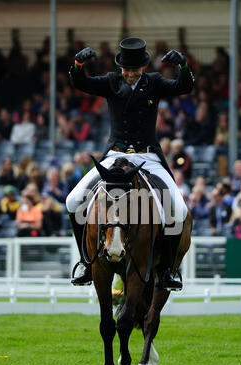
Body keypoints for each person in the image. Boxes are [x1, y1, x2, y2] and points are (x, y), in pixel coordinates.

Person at [66, 37, 194, 288]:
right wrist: (79, 63)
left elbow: (183, 86)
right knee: (72, 200)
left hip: (148, 157)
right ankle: (86, 263)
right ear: (120, 68)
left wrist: (184, 67)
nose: (131, 74)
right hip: (115, 155)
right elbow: (81, 82)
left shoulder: (154, 83)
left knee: (177, 210)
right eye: (127, 70)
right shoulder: (112, 81)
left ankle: (167, 269)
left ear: (143, 68)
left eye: (135, 70)